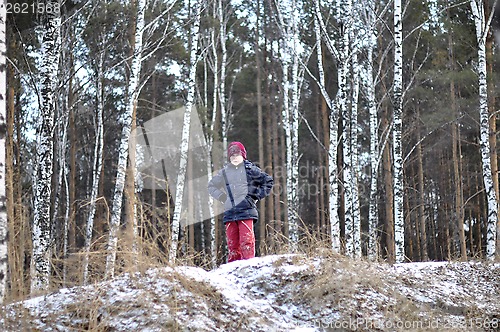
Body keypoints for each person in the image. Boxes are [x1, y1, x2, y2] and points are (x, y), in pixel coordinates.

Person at [208, 141, 273, 263]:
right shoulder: (225, 172)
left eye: (237, 155)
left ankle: (249, 267)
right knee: (232, 245)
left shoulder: (251, 169)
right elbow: (211, 186)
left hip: (247, 211)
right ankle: (232, 271)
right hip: (230, 213)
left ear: (243, 155)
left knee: (246, 242)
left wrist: (256, 196)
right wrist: (222, 197)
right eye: (232, 156)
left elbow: (268, 181)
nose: (235, 158)